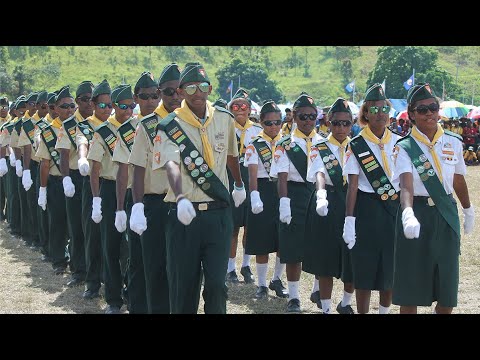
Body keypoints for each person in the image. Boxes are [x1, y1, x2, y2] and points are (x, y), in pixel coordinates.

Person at [152, 62, 246, 314]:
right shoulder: (169, 124)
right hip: (184, 216)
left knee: (217, 285)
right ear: (181, 92)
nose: (197, 92)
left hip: (218, 215)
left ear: (210, 89)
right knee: (184, 287)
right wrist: (180, 197)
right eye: (191, 87)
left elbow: (231, 156)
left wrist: (239, 184)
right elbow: (171, 164)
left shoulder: (224, 119)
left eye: (203, 86)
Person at [392, 83, 475, 314]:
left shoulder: (453, 142)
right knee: (411, 286)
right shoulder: (405, 146)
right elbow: (406, 184)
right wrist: (407, 212)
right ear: (411, 114)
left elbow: (458, 180)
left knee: (447, 287)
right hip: (417, 213)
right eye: (422, 109)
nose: (429, 113)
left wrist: (468, 209)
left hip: (446, 214)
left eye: (433, 107)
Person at [342, 83, 400, 314]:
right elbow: (353, 186)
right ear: (365, 113)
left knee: (390, 265)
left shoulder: (399, 142)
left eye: (384, 109)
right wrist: (349, 220)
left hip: (393, 208)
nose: (380, 114)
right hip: (366, 209)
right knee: (364, 267)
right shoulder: (356, 145)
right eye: (374, 109)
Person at [128, 64, 181, 314]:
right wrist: (137, 206)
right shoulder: (147, 125)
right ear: (161, 92)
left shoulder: (196, 122)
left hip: (187, 205)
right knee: (155, 269)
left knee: (185, 268)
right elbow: (136, 167)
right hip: (157, 204)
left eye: (180, 90)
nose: (175, 96)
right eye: (169, 91)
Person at [270, 92, 324, 313]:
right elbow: (282, 176)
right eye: (303, 116)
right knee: (292, 249)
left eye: (312, 116)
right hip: (293, 195)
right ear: (293, 116)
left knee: (322, 246)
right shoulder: (285, 144)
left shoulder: (323, 142)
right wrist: (284, 202)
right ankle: (294, 297)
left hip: (319, 195)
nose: (308, 121)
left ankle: (318, 290)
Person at [304, 97, 355, 314]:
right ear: (328, 123)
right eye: (336, 123)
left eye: (346, 123)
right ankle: (325, 308)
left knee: (352, 256)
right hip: (327, 201)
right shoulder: (319, 146)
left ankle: (346, 303)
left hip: (353, 203)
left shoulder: (358, 146)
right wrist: (321, 193)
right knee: (325, 258)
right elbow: (319, 172)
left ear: (352, 124)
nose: (341, 128)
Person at [87, 81, 130, 314]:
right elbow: (94, 169)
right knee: (111, 247)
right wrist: (96, 200)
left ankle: (131, 293)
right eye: (124, 106)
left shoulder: (137, 127)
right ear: (115, 106)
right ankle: (114, 299)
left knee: (132, 249)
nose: (129, 111)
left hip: (134, 191)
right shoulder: (104, 131)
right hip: (110, 191)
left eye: (132, 106)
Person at [243, 100, 288, 299]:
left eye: (278, 122)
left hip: (283, 191)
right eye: (269, 122)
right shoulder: (254, 146)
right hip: (262, 190)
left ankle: (277, 279)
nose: (274, 126)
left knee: (283, 240)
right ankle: (261, 284)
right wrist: (254, 196)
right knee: (262, 240)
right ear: (261, 122)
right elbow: (252, 175)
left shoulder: (287, 143)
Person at [54, 81, 94, 288]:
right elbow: (63, 155)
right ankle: (79, 270)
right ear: (78, 102)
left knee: (95, 229)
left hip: (98, 178)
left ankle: (97, 271)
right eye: (85, 99)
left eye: (92, 99)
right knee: (77, 227)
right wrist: (66, 179)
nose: (89, 103)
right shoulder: (69, 125)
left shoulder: (102, 122)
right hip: (76, 178)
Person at [225, 88, 262, 284]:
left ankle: (246, 265)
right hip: (231, 177)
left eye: (244, 106)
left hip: (250, 177)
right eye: (236, 106)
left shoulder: (257, 131)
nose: (240, 109)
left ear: (249, 110)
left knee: (250, 225)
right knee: (232, 227)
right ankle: (230, 268)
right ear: (231, 109)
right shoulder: (225, 128)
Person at [36, 87, 70, 275]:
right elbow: (45, 163)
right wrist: (42, 189)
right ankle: (59, 260)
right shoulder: (49, 131)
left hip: (77, 182)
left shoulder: (79, 127)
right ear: (55, 108)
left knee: (76, 226)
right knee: (58, 223)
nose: (69, 109)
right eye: (64, 106)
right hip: (57, 182)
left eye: (71, 105)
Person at [17, 91, 49, 251]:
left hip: (52, 167)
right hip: (36, 166)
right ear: (36, 106)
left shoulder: (54, 122)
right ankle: (36, 237)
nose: (45, 108)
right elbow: (27, 147)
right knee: (35, 203)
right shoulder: (29, 124)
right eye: (42, 105)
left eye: (48, 105)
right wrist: (26, 169)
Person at [0, 96, 11, 220]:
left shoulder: (11, 121)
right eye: (0, 107)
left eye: (4, 107)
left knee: (9, 187)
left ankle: (9, 213)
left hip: (8, 158)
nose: (2, 110)